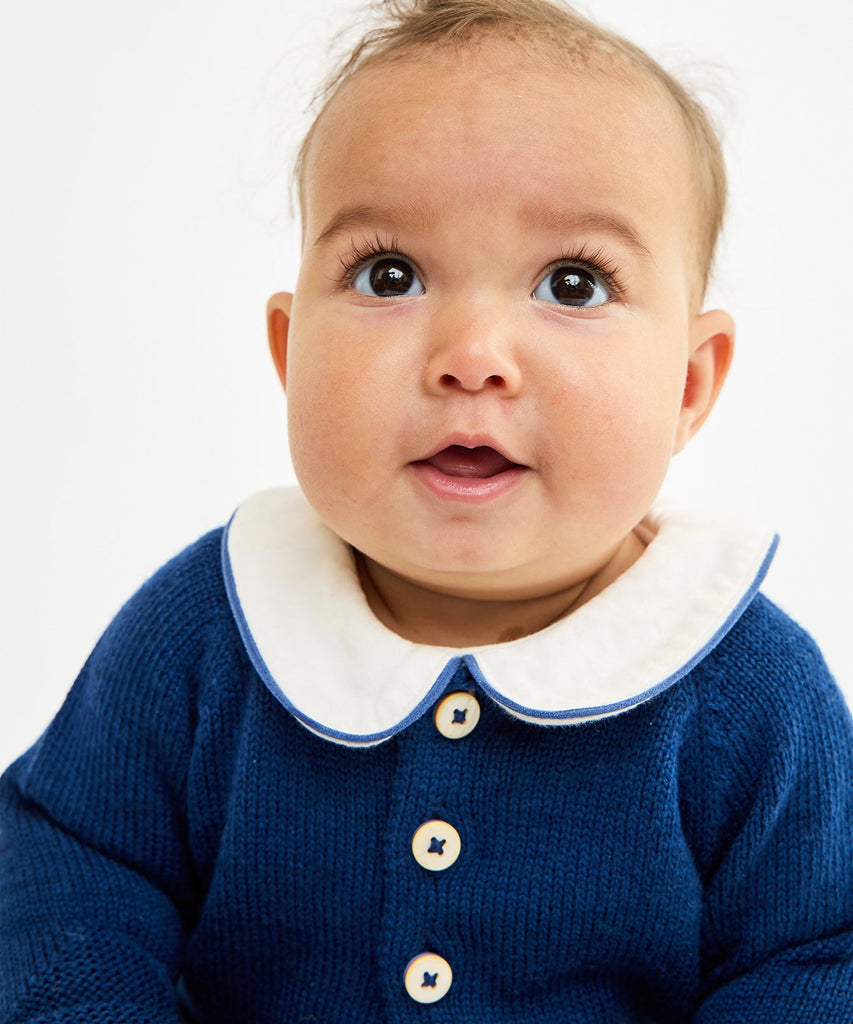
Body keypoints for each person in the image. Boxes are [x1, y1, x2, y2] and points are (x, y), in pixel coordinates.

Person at [2, 0, 852, 1020]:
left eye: (572, 283)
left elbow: (815, 962)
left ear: (687, 384)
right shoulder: (208, 627)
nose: (471, 355)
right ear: (287, 355)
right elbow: (63, 869)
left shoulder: (746, 690)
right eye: (389, 273)